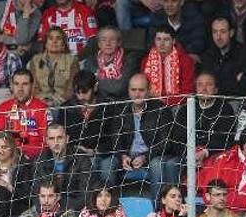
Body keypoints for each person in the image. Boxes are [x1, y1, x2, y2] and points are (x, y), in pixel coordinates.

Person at [107, 74, 178, 202]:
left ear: (149, 90)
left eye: (141, 90)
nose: (137, 94)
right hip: (128, 155)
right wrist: (122, 156)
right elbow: (115, 139)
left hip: (152, 154)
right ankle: (109, 209)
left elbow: (166, 142)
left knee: (156, 164)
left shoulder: (161, 109)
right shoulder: (121, 109)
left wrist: (145, 157)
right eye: (133, 90)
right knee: (107, 164)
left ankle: (158, 209)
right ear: (128, 91)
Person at [0, 69, 51, 160]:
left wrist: (25, 154)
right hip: (8, 159)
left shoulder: (43, 109)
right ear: (11, 86)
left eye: (25, 84)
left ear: (32, 86)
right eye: (16, 84)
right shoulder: (2, 108)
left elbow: (47, 143)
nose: (20, 89)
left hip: (35, 160)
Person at [140, 25, 195, 107]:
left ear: (173, 41)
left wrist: (166, 102)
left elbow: (188, 91)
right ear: (154, 40)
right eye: (159, 39)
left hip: (178, 106)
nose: (161, 43)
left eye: (166, 39)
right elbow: (142, 87)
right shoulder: (146, 61)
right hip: (151, 105)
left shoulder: (186, 61)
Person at [199, 16, 246, 97]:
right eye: (215, 32)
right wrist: (233, 79)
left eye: (223, 32)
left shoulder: (244, 53)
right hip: (212, 100)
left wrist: (218, 83)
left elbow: (244, 85)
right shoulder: (207, 55)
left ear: (231, 33)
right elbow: (206, 83)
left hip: (235, 100)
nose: (218, 37)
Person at [79, 27, 137, 102]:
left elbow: (119, 87)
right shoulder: (90, 61)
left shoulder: (129, 59)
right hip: (98, 104)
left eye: (112, 40)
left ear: (119, 42)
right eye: (103, 40)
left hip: (123, 104)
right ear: (99, 44)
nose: (108, 43)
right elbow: (86, 86)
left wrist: (97, 82)